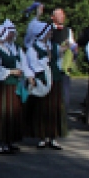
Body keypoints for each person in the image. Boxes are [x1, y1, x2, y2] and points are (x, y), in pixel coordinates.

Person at [0, 21, 30, 154]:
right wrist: (11, 72)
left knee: (10, 114)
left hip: (11, 85)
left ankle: (7, 140)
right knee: (0, 114)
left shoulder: (7, 48)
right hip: (1, 88)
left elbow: (18, 62)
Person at [25, 19, 65, 149]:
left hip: (55, 80)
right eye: (48, 31)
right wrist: (46, 60)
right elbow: (34, 65)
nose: (51, 33)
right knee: (43, 109)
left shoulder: (52, 45)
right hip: (43, 81)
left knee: (54, 108)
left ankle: (53, 136)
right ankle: (42, 136)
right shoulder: (33, 48)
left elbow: (59, 59)